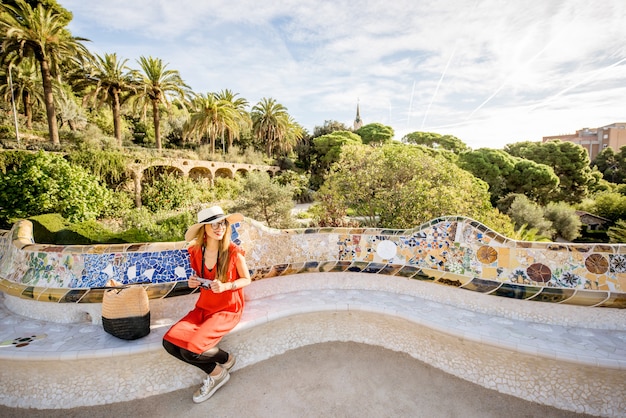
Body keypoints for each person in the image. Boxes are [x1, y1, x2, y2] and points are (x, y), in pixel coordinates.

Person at [162, 205, 251, 403]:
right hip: (204, 307)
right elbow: (201, 278)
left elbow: (247, 279)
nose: (219, 228)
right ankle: (224, 363)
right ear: (204, 229)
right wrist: (194, 282)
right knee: (169, 342)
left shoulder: (234, 252)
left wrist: (227, 286)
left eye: (222, 223)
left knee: (191, 350)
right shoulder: (195, 252)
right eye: (213, 225)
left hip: (228, 309)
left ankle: (218, 372)